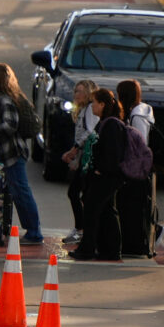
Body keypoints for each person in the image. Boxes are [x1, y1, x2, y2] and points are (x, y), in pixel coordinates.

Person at [0, 63, 43, 245]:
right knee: (3, 190)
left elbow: (10, 125)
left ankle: (34, 232)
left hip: (12, 153)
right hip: (6, 153)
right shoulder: (4, 98)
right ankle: (1, 227)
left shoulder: (4, 100)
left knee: (21, 192)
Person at [69, 89, 125, 260]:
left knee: (92, 211)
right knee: (106, 211)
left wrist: (101, 169)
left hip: (107, 177)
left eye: (94, 102)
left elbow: (112, 153)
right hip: (103, 176)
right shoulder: (104, 122)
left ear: (102, 105)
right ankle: (109, 249)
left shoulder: (111, 124)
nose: (92, 105)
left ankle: (88, 249)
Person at [61, 80, 98, 245]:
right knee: (80, 194)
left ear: (88, 93)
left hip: (86, 159)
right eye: (75, 91)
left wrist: (74, 149)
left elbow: (89, 132)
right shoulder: (83, 109)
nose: (76, 94)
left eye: (80, 91)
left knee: (75, 192)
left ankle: (81, 229)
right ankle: (83, 229)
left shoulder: (90, 109)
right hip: (81, 158)